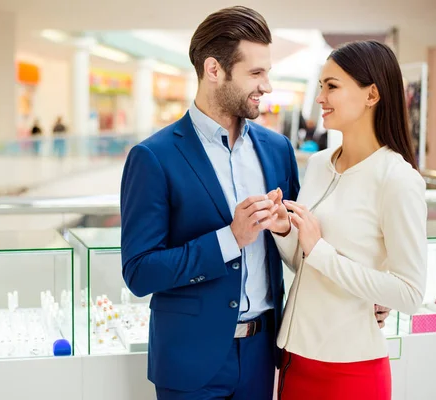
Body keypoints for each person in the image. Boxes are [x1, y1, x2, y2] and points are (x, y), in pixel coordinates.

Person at [120, 6, 299, 399]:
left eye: (267, 72)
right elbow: (139, 272)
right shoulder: (153, 157)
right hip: (188, 362)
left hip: (261, 354)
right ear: (214, 69)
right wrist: (230, 238)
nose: (266, 86)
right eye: (256, 73)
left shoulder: (278, 150)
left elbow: (301, 245)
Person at [268, 40, 427, 400]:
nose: (320, 98)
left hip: (350, 371)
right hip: (294, 359)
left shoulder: (397, 178)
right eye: (321, 86)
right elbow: (304, 262)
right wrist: (283, 229)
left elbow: (410, 293)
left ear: (371, 94)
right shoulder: (319, 163)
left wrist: (321, 251)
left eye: (332, 86)